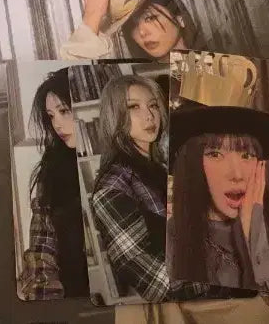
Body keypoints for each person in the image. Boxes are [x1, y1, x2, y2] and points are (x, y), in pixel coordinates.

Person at [91, 75, 235, 303]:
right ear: (113, 115)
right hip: (198, 308)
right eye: (133, 107)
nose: (149, 115)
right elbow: (156, 283)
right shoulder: (111, 189)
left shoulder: (160, 166)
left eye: (153, 105)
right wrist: (230, 271)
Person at [168, 98, 269, 296]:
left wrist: (255, 241)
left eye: (246, 155)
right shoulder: (170, 241)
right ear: (191, 164)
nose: (237, 174)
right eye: (215, 154)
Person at [17, 68, 89, 300]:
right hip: (71, 296)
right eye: (51, 116)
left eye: (64, 111)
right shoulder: (52, 170)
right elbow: (41, 249)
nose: (57, 124)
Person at [60, 0, 201, 61]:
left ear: (180, 18)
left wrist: (92, 16)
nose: (142, 32)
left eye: (150, 18)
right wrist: (92, 16)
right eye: (132, 25)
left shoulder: (205, 69)